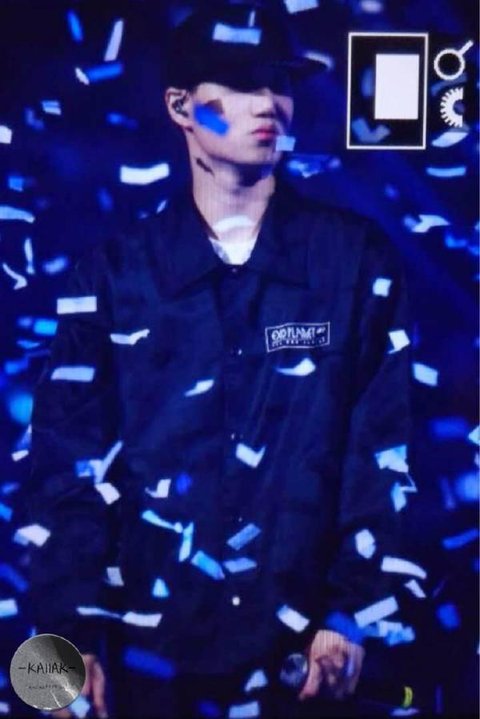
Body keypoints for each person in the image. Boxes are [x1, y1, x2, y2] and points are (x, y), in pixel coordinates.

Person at [23, 3, 413, 718]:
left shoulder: (355, 262)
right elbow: (67, 469)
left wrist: (351, 611)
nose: (267, 103)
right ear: (181, 106)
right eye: (237, 82)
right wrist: (65, 639)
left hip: (305, 665)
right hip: (147, 664)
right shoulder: (111, 278)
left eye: (279, 81)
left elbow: (382, 449)